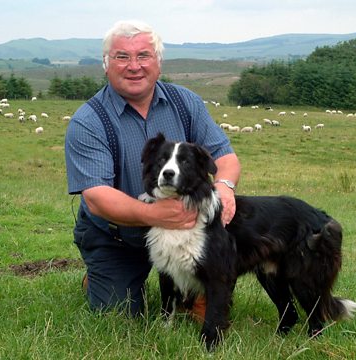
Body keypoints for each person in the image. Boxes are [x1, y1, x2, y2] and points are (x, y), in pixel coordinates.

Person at [64, 20, 241, 317]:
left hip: (187, 230)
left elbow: (226, 158)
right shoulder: (88, 121)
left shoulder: (186, 103)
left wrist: (225, 188)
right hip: (117, 236)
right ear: (106, 65)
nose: (134, 66)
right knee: (118, 312)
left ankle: (192, 288)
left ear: (158, 62)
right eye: (122, 57)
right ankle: (102, 277)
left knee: (207, 300)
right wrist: (152, 214)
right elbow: (96, 197)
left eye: (143, 56)